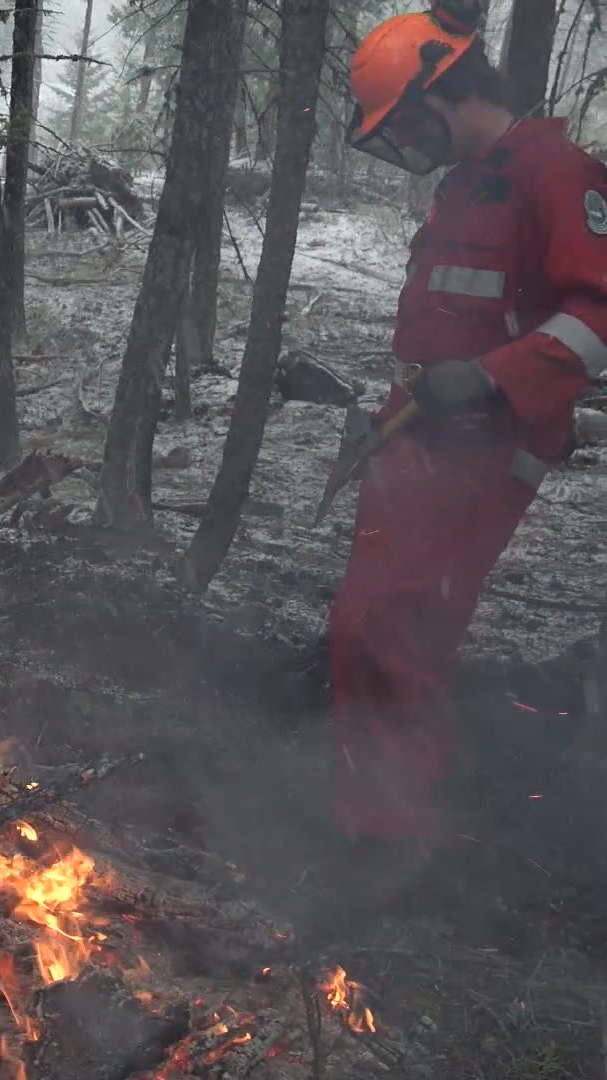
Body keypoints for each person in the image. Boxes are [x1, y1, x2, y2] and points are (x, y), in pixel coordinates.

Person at [329, 8, 607, 852]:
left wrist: (492, 377)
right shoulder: (469, 179)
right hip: (429, 438)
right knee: (367, 622)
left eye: (406, 124)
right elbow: (442, 332)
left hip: (491, 448)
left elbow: (596, 317)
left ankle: (398, 832)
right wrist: (385, 423)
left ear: (442, 92)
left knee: (400, 625)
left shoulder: (556, 172)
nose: (408, 145)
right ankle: (366, 803)